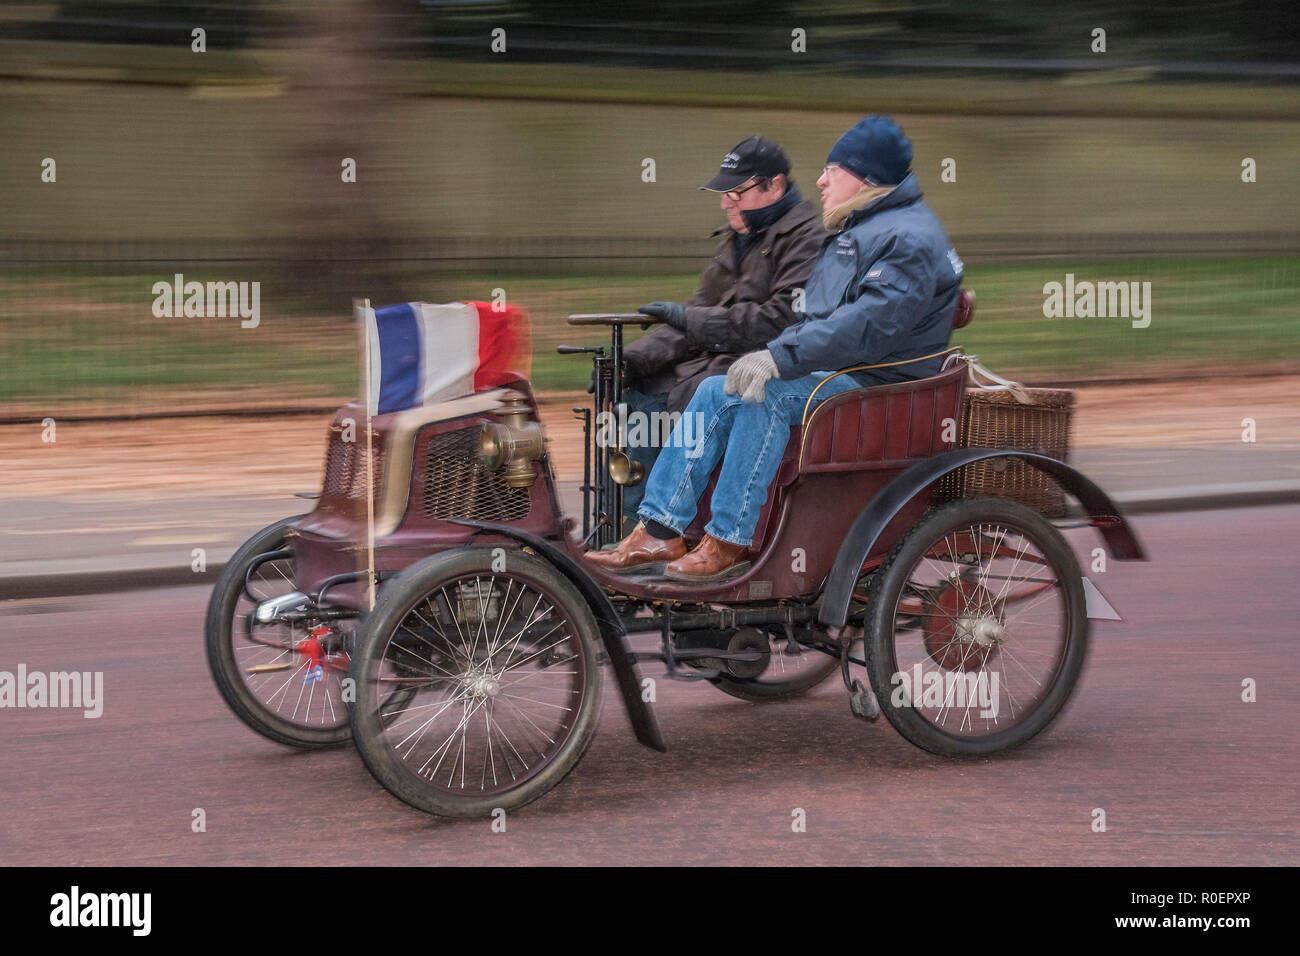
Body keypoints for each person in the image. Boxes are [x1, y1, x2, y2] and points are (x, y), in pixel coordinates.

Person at [587, 115, 964, 581]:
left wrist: (778, 358)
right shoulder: (865, 227)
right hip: (848, 371)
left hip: (881, 383)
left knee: (764, 396)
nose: (822, 180)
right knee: (713, 390)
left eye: (835, 170)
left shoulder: (906, 238)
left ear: (868, 179)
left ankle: (728, 539)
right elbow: (815, 317)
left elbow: (863, 326)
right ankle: (660, 528)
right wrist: (771, 355)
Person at [613, 135, 826, 521]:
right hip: (715, 360)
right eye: (724, 192)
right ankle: (620, 521)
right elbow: (698, 313)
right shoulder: (741, 235)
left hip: (763, 365)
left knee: (664, 407)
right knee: (627, 398)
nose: (725, 201)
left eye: (736, 192)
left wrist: (689, 319)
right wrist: (633, 359)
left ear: (774, 186)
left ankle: (654, 528)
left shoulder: (808, 239)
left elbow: (777, 321)